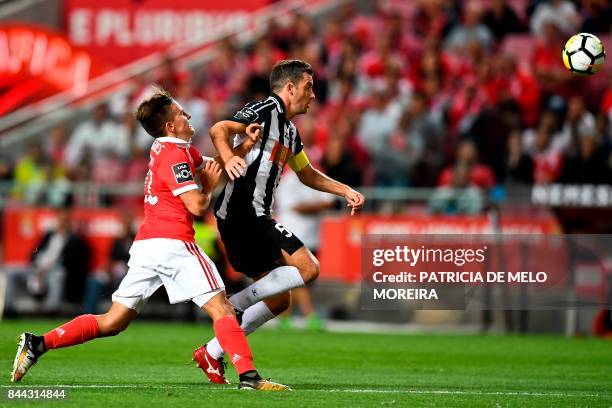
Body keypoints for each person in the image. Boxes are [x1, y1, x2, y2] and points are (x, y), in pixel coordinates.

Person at [11, 88, 289, 391]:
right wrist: (207, 187)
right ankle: (249, 377)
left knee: (113, 321)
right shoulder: (174, 155)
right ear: (170, 125)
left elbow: (217, 166)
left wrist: (246, 143)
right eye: (182, 113)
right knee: (222, 308)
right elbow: (197, 205)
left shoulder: (174, 149)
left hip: (148, 245)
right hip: (173, 243)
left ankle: (37, 344)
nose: (189, 115)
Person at [192, 60, 364, 384]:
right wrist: (228, 158)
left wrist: (346, 190)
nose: (313, 95)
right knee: (309, 268)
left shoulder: (290, 132)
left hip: (255, 217)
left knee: (280, 299)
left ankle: (212, 352)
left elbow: (307, 173)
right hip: (243, 214)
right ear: (289, 88)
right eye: (308, 87)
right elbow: (219, 129)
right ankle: (234, 305)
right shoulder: (265, 110)